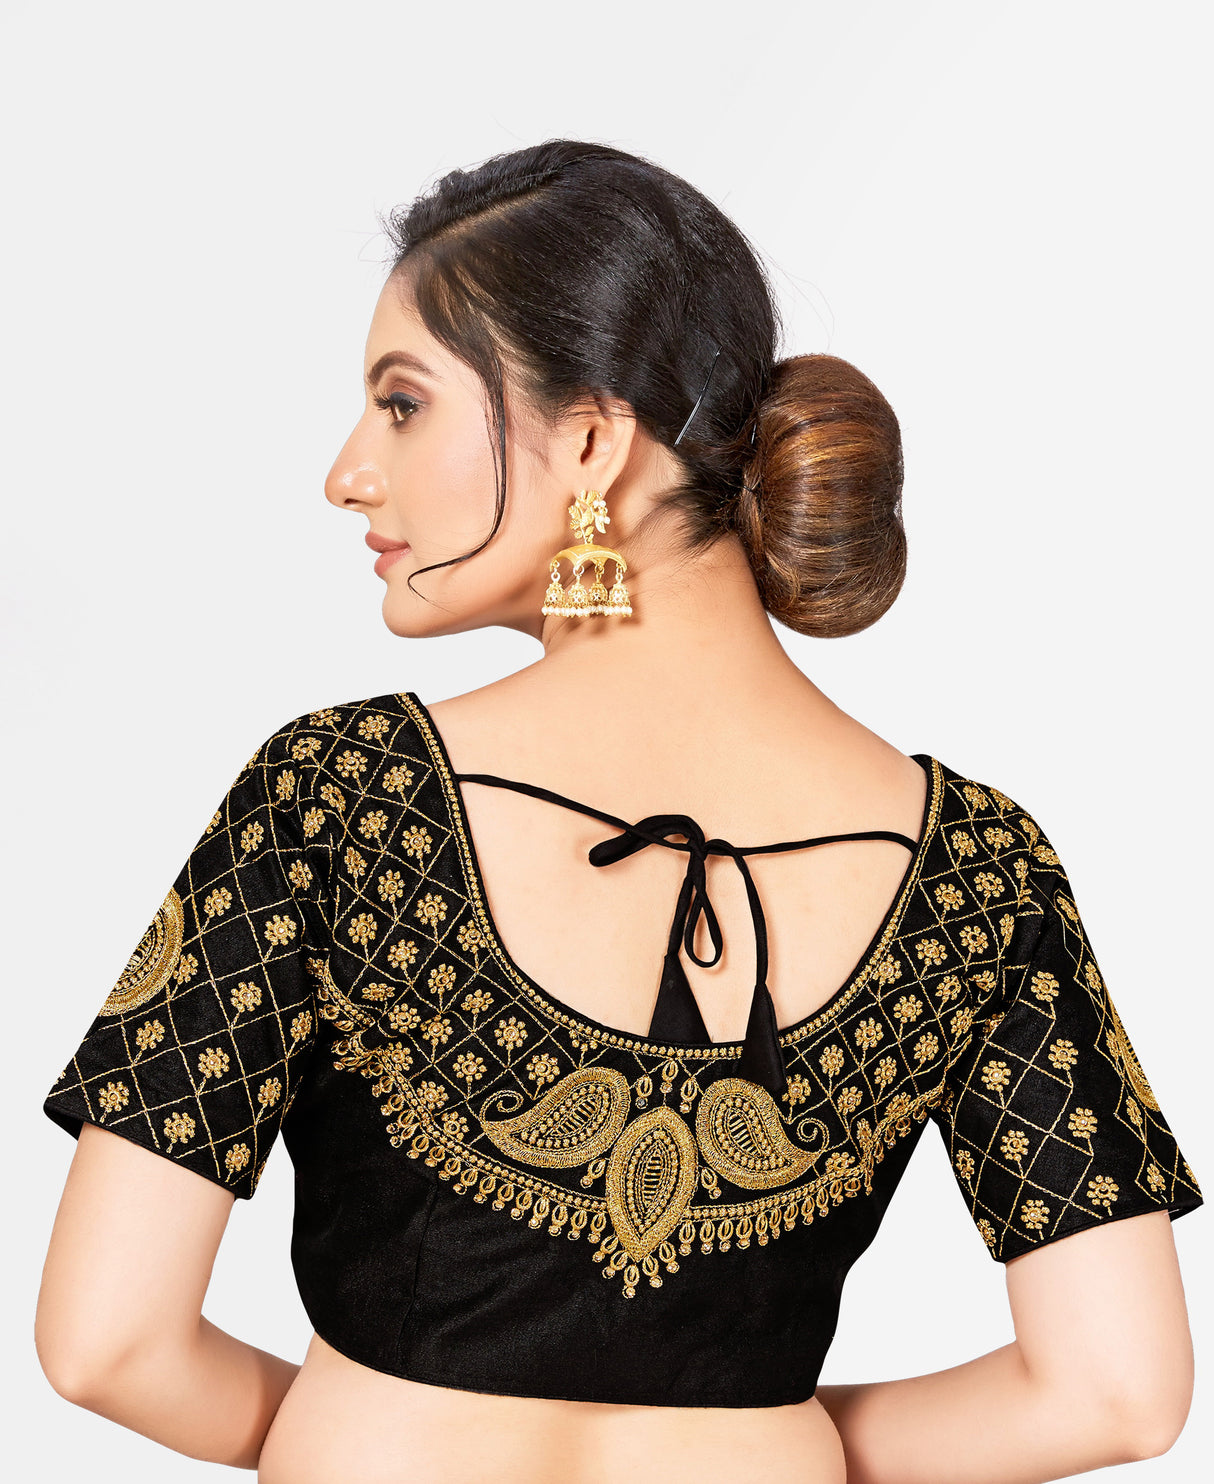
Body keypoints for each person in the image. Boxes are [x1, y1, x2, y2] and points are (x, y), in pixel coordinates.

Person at [36, 140, 1203, 1484]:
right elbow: (1115, 1395)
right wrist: (758, 1438)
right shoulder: (976, 870)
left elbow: (106, 1343)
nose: (348, 473)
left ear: (593, 440)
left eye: (402, 405)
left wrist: (363, 1429)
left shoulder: (338, 799)